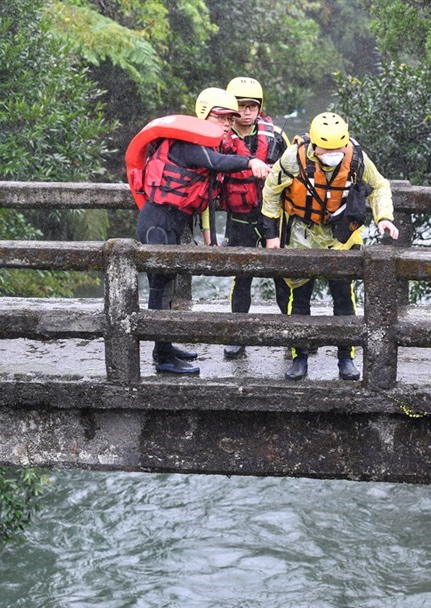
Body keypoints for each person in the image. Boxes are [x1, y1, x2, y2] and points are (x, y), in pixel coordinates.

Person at [135, 87, 270, 375]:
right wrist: (250, 161)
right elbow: (216, 163)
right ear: (204, 114)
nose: (226, 123)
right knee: (159, 291)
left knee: (168, 290)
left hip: (171, 223)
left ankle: (166, 347)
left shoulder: (202, 145)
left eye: (229, 118)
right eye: (220, 117)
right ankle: (163, 358)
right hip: (157, 223)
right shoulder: (187, 144)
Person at [260, 111, 399, 381]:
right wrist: (271, 235)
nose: (333, 154)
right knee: (299, 297)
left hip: (340, 236)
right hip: (302, 233)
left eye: (338, 148)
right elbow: (271, 191)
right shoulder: (293, 157)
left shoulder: (356, 157)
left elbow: (380, 185)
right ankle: (299, 357)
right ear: (314, 144)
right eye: (326, 150)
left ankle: (345, 358)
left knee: (343, 296)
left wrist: (384, 218)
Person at [220, 77, 291, 359]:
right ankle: (238, 335)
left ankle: (291, 334)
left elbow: (293, 170)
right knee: (242, 277)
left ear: (259, 108)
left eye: (252, 106)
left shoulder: (275, 136)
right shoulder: (220, 138)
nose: (247, 112)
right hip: (239, 215)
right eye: (241, 106)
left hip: (273, 215)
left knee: (283, 276)